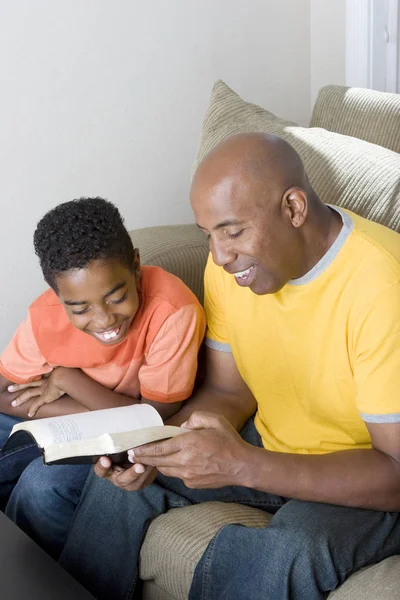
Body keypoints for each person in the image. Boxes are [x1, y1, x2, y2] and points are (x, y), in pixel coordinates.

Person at [59, 134, 400, 600]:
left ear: (294, 209)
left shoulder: (383, 287)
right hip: (275, 442)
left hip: (366, 475)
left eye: (234, 231)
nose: (219, 257)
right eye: (209, 235)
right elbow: (228, 392)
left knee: (283, 552)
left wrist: (244, 465)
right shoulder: (229, 270)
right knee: (121, 487)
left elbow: (394, 472)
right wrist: (153, 448)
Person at [0, 197, 205, 558]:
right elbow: (2, 393)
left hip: (121, 437)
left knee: (42, 485)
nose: (105, 319)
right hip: (67, 416)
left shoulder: (174, 310)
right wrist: (78, 411)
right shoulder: (44, 318)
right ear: (58, 297)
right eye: (80, 308)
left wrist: (67, 378)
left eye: (117, 296)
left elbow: (154, 416)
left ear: (136, 266)